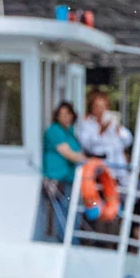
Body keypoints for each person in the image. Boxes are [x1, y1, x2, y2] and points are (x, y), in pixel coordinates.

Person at [38, 100, 82, 241]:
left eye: (67, 113)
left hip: (69, 178)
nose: (64, 117)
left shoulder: (69, 132)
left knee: (70, 212)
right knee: (62, 214)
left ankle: (70, 240)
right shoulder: (54, 130)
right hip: (57, 178)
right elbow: (68, 153)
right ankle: (64, 242)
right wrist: (89, 160)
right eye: (61, 114)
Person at [77, 89, 131, 178]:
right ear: (91, 108)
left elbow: (128, 141)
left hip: (118, 168)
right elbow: (86, 145)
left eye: (103, 106)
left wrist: (119, 129)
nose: (100, 110)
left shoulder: (112, 122)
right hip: (98, 169)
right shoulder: (86, 124)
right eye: (97, 106)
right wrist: (101, 131)